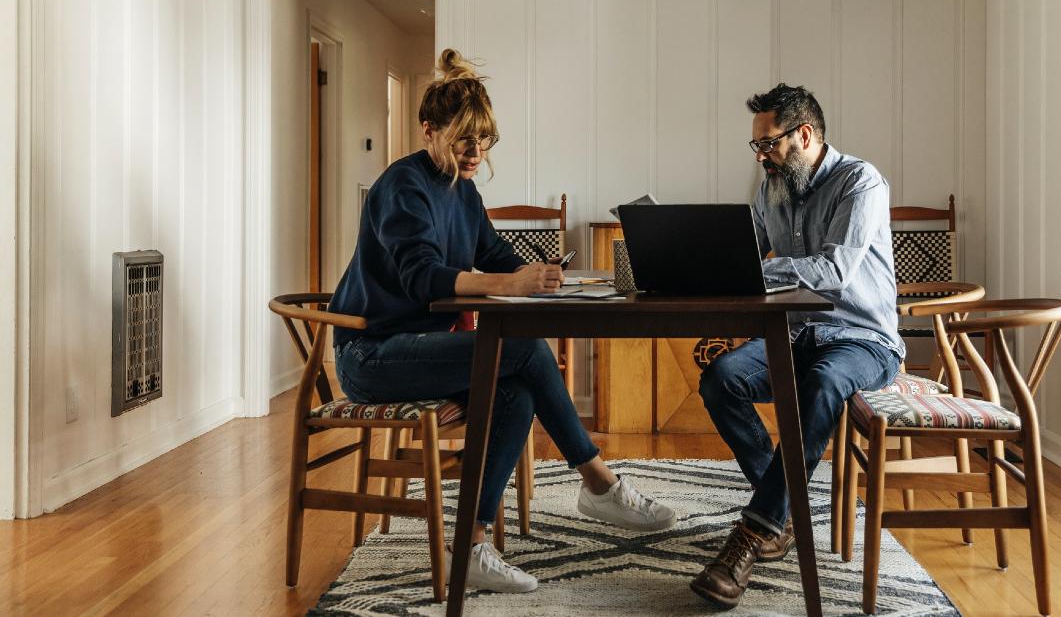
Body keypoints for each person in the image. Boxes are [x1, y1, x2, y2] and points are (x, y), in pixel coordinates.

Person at [329, 49, 676, 594]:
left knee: (517, 394)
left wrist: (543, 273)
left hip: (420, 348)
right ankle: (597, 482)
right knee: (526, 351)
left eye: (484, 140)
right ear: (429, 130)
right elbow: (422, 277)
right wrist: (508, 286)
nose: (476, 152)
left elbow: (492, 253)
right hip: (373, 355)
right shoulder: (403, 186)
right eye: (464, 139)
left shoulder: (462, 192)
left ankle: (471, 545)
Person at [689, 83, 904, 608]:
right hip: (793, 334)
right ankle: (780, 514)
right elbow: (748, 254)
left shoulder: (860, 182)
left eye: (769, 144)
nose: (761, 156)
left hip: (863, 339)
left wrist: (760, 269)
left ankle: (748, 537)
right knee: (720, 380)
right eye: (757, 146)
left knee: (822, 383)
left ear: (803, 135)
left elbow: (834, 271)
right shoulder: (771, 190)